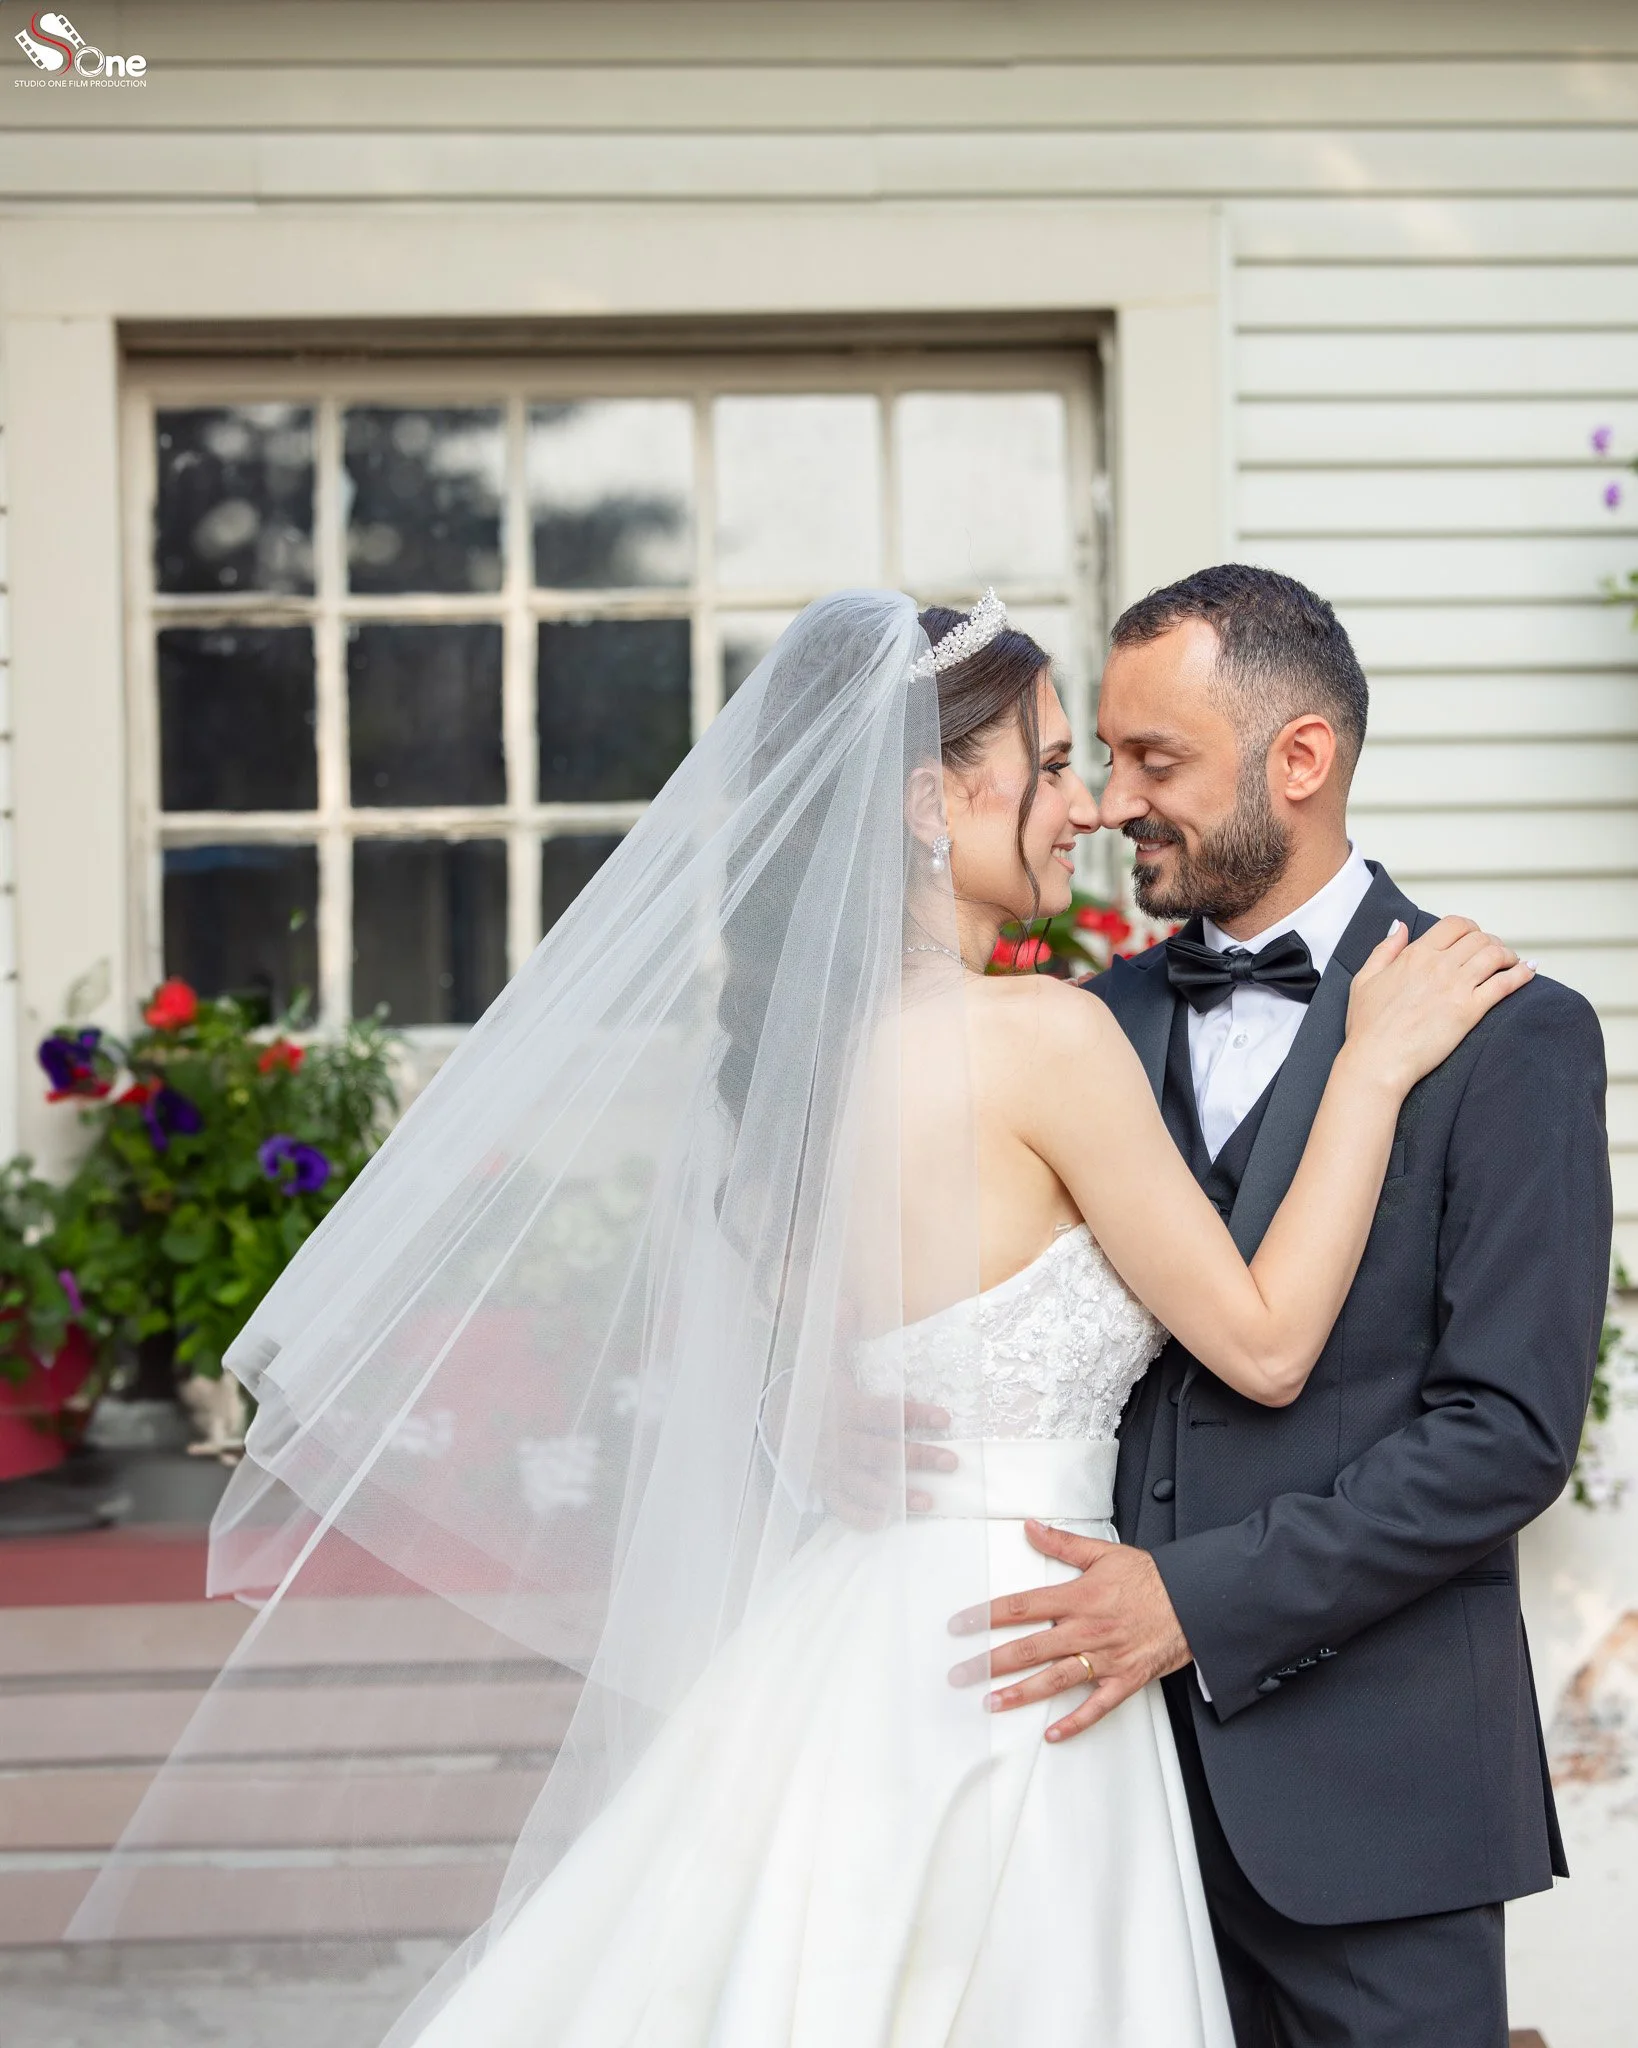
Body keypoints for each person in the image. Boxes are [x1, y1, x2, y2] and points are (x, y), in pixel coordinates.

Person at [74, 588, 1534, 2046]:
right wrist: (1365, 1067)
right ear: (924, 798)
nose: (1085, 807)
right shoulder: (1053, 1033)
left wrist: (804, 1412)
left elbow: (806, 1360)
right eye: (1049, 764)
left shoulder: (804, 1070)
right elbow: (1265, 1344)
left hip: (857, 1642)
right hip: (1020, 1659)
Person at [976, 565, 1611, 2048]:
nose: (1113, 801)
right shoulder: (1082, 1032)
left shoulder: (1509, 1037)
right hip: (1094, 1794)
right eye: (1102, 756)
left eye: (1156, 760)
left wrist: (1192, 1602)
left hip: (1382, 1801)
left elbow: (1504, 1435)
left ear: (1299, 759)